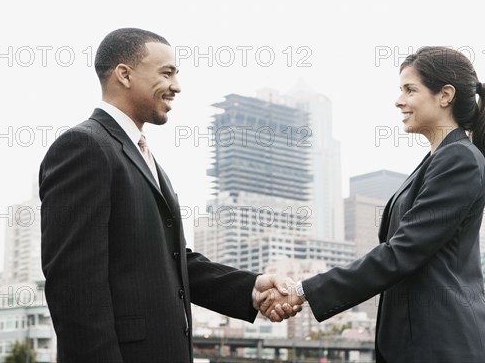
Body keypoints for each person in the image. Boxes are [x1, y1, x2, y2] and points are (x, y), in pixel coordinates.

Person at [39, 28, 298, 363]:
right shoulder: (84, 147)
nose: (177, 86)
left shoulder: (143, 158)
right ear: (125, 74)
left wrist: (252, 287)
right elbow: (74, 288)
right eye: (167, 73)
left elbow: (172, 261)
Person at [266, 46, 485, 362]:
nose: (399, 100)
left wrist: (303, 291)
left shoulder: (459, 160)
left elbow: (400, 253)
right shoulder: (439, 160)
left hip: (442, 347)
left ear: (445, 95)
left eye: (410, 90)